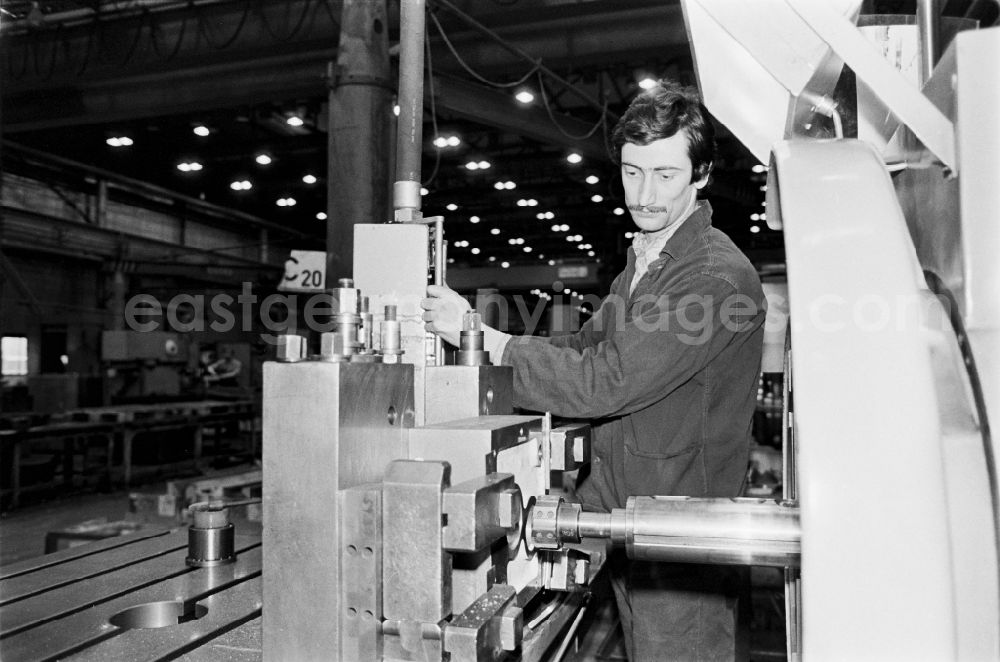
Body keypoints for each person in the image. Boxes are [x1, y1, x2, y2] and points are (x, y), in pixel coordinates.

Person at [421, 80, 766, 661]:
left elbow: (607, 380)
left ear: (702, 174)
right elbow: (583, 345)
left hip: (679, 536)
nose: (645, 194)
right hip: (628, 522)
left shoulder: (712, 278)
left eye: (665, 174)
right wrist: (482, 344)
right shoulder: (642, 265)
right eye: (633, 172)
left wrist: (496, 345)